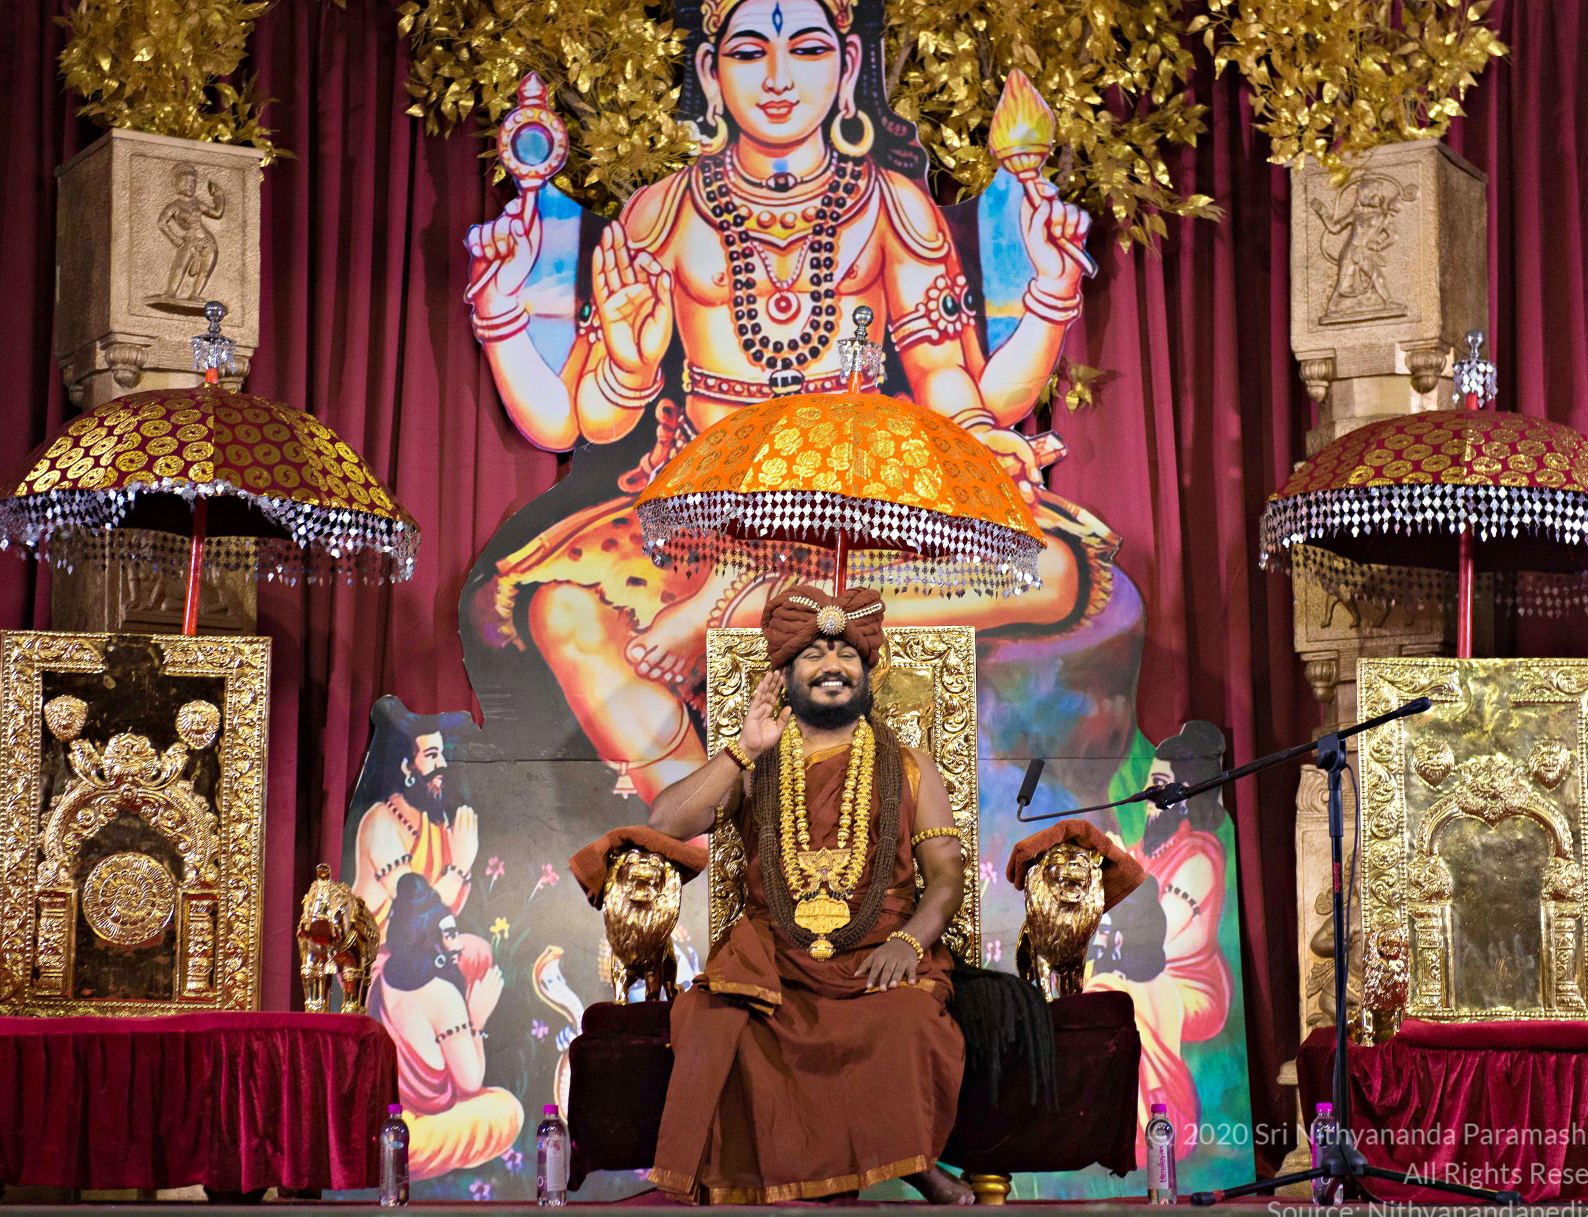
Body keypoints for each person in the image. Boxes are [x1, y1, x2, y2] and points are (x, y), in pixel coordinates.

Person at [464, 0, 1112, 802]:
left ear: (847, 67)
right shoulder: (664, 211)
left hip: (860, 506)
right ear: (710, 73)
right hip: (707, 514)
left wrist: (1035, 326)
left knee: (1050, 570)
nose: (777, 79)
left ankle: (755, 607)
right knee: (562, 615)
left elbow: (944, 375)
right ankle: (706, 835)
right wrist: (624, 361)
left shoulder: (890, 205)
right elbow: (582, 420)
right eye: (748, 53)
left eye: (806, 50)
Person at [642, 584, 974, 1204]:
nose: (832, 666)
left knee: (908, 1020)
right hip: (776, 961)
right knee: (714, 1020)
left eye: (847, 654)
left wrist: (909, 943)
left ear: (868, 672)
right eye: (814, 654)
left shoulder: (910, 765)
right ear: (786, 675)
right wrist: (743, 750)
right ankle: (783, 1194)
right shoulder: (755, 764)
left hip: (878, 955)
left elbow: (947, 876)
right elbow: (665, 823)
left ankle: (912, 1160)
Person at [1086, 723, 1232, 1165]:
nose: (1150, 796)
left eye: (1161, 786)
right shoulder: (1141, 852)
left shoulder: (1199, 855)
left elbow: (1158, 939)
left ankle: (1162, 1124)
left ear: (1187, 794)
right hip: (1139, 972)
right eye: (1150, 784)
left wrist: (1116, 875)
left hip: (1188, 985)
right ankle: (1104, 1118)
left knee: (1123, 994)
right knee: (1095, 982)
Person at [368, 875, 522, 1180]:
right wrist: (476, 1022)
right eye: (449, 934)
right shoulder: (443, 997)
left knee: (477, 951)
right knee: (507, 1111)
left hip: (389, 1118)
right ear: (428, 938)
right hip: (422, 1127)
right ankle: (408, 1152)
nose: (457, 944)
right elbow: (470, 1084)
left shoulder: (380, 973)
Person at [353, 725, 493, 983]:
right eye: (431, 755)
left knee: (478, 953)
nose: (442, 764)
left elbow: (448, 913)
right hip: (379, 959)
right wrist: (459, 867)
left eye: (442, 755)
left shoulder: (435, 822)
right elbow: (413, 916)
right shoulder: (382, 820)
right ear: (407, 767)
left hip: (423, 949)